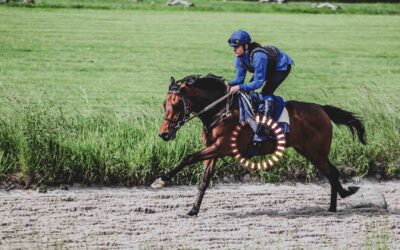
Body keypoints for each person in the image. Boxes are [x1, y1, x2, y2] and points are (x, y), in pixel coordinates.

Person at [227, 29, 294, 156]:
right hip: (267, 67)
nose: (234, 50)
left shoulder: (258, 56)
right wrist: (227, 84)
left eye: (237, 47)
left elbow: (258, 82)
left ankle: (266, 126)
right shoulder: (239, 58)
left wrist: (239, 87)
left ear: (246, 46)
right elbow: (239, 79)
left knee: (266, 91)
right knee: (247, 89)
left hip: (280, 66)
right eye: (233, 47)